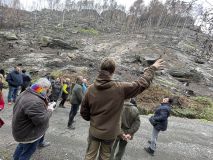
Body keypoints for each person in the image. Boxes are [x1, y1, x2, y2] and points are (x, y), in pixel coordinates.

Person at [80, 57, 164, 160]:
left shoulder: (90, 89)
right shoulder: (120, 88)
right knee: (105, 157)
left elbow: (84, 112)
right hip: (110, 134)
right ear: (113, 71)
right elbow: (140, 84)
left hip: (94, 131)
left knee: (89, 156)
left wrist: (94, 120)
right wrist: (152, 69)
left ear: (100, 69)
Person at [12, 78, 55, 160]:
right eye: (48, 89)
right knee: (26, 153)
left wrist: (45, 100)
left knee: (21, 147)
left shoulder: (28, 91)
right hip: (29, 134)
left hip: (21, 130)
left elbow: (34, 107)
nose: (49, 90)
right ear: (45, 87)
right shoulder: (34, 101)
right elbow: (41, 120)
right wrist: (50, 109)